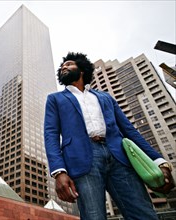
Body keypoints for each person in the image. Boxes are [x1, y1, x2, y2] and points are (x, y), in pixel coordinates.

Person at [44, 52, 174, 220]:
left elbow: (129, 130)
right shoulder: (55, 99)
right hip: (81, 160)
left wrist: (159, 161)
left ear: (82, 70)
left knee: (143, 213)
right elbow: (51, 134)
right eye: (62, 66)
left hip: (119, 156)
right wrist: (58, 171)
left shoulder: (105, 97)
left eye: (69, 64)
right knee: (93, 216)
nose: (64, 67)